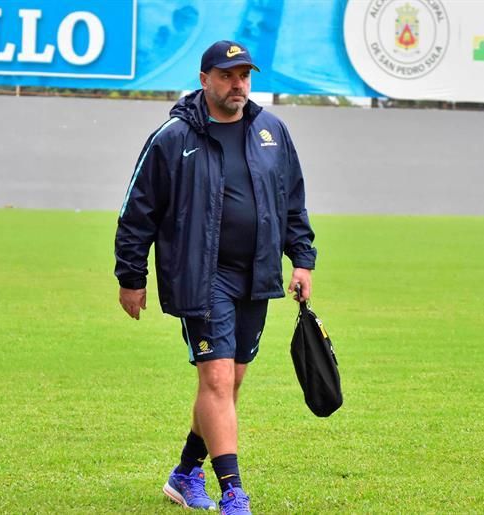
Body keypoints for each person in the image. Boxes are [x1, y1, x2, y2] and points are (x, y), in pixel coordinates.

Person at [114, 40, 316, 514]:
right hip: (202, 276)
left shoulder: (271, 131)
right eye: (227, 75)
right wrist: (131, 276)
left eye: (244, 75)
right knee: (218, 378)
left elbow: (292, 200)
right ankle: (233, 493)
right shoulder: (173, 137)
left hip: (258, 274)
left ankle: (186, 472)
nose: (237, 84)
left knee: (232, 379)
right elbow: (138, 211)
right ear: (204, 80)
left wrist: (302, 259)